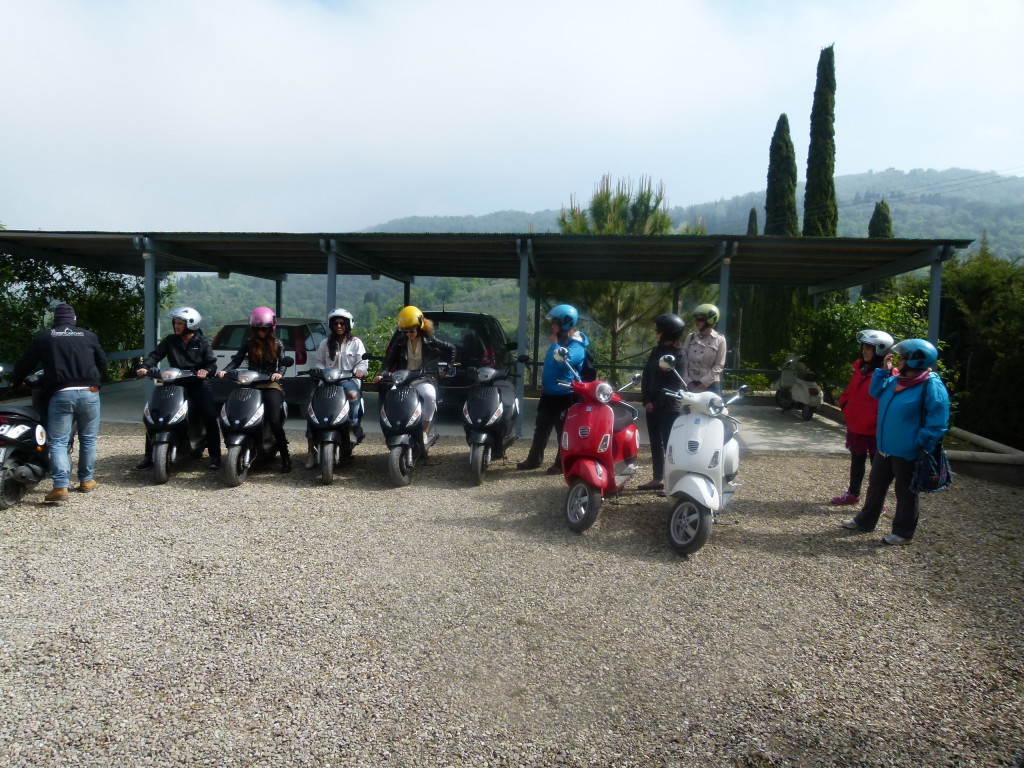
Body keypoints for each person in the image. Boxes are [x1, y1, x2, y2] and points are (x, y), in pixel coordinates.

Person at [841, 338, 950, 545]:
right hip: (885, 446)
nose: (898, 360)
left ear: (916, 360)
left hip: (907, 450)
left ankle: (903, 533)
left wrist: (918, 443)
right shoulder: (897, 379)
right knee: (876, 484)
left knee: (906, 492)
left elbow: (938, 423)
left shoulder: (930, 384)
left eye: (903, 357)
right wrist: (884, 371)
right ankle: (865, 521)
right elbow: (876, 392)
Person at [11, 302, 107, 503]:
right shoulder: (89, 335)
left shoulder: (45, 337)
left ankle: (61, 486)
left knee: (58, 442)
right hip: (90, 392)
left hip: (61, 394)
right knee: (88, 438)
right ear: (73, 320)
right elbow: (103, 363)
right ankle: (86, 480)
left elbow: (25, 363)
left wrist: (16, 380)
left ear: (55, 321)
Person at [134, 306, 221, 470]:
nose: (176, 326)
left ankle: (215, 456)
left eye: (180, 323)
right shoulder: (170, 340)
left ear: (191, 324)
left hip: (197, 384)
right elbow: (155, 355)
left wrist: (206, 371)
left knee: (209, 415)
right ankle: (149, 456)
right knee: (155, 413)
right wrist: (145, 367)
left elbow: (211, 364)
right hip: (174, 383)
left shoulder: (202, 342)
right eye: (175, 323)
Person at [216, 307, 292, 473]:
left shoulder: (278, 343)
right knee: (232, 412)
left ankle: (286, 457)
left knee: (273, 419)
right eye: (257, 328)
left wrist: (278, 373)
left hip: (270, 384)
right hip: (251, 384)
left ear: (271, 327)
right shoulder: (249, 343)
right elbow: (236, 360)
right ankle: (236, 443)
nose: (260, 331)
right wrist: (226, 370)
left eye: (264, 328)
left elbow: (282, 364)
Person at [517, 303, 590, 474]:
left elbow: (564, 363)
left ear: (565, 323)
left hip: (566, 395)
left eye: (555, 322)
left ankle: (561, 464)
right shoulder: (560, 342)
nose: (552, 326)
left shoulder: (577, 345)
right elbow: (550, 366)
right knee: (541, 428)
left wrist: (555, 345)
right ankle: (534, 459)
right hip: (550, 394)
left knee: (563, 432)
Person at [830, 329, 894, 505]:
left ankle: (876, 503)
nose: (864, 351)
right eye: (863, 347)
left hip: (874, 428)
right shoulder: (861, 368)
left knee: (878, 469)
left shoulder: (888, 373)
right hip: (857, 425)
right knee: (857, 462)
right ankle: (853, 493)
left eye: (869, 348)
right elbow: (851, 392)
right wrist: (845, 405)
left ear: (880, 350)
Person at [373, 306, 455, 440]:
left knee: (430, 396)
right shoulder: (400, 341)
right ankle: (394, 427)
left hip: (423, 379)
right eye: (405, 331)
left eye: (412, 330)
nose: (409, 334)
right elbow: (389, 360)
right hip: (403, 380)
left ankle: (425, 429)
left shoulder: (430, 340)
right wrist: (382, 373)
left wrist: (447, 368)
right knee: (390, 398)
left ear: (420, 326)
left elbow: (451, 348)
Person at [304, 308, 368, 469]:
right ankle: (311, 450)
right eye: (335, 323)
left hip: (348, 379)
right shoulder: (325, 343)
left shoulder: (356, 343)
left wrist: (360, 371)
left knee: (353, 395)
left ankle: (352, 427)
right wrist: (320, 371)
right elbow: (318, 361)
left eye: (342, 323)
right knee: (313, 406)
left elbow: (362, 362)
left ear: (348, 324)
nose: (339, 326)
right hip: (327, 380)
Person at [638, 313, 687, 493]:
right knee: (655, 444)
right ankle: (658, 478)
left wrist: (656, 404)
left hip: (668, 408)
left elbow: (675, 386)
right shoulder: (656, 351)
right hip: (652, 406)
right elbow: (647, 375)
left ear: (668, 333)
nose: (656, 333)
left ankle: (672, 482)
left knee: (670, 446)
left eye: (659, 331)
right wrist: (646, 400)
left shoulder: (679, 355)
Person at [682, 303, 727, 394]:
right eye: (696, 319)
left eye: (701, 319)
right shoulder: (690, 337)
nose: (697, 322)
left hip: (710, 385)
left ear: (710, 320)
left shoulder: (720, 340)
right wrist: (688, 382)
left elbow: (719, 366)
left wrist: (703, 385)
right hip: (689, 384)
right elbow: (683, 361)